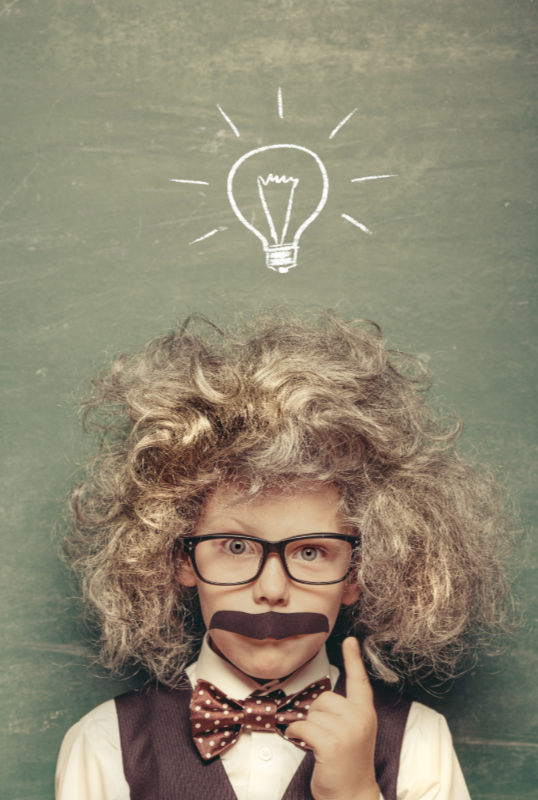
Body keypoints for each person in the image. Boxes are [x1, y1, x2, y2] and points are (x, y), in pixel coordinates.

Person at [55, 310, 513, 800]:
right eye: (235, 546)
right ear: (179, 558)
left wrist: (357, 793)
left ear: (359, 572)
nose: (272, 590)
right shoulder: (106, 742)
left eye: (312, 551)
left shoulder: (419, 739)